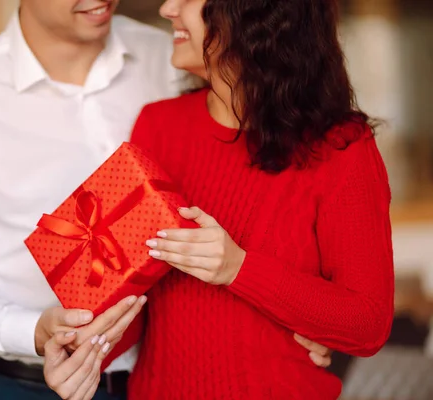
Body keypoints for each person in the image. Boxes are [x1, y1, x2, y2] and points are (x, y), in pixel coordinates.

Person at [0, 0, 332, 399]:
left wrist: (308, 311)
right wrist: (34, 331)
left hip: (167, 377)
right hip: (29, 385)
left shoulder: (174, 56)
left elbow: (275, 163)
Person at [125, 0, 395, 399]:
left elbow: (367, 323)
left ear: (252, 14)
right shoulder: (156, 126)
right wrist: (77, 338)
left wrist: (239, 269)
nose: (167, 8)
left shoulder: (342, 148)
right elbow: (132, 302)